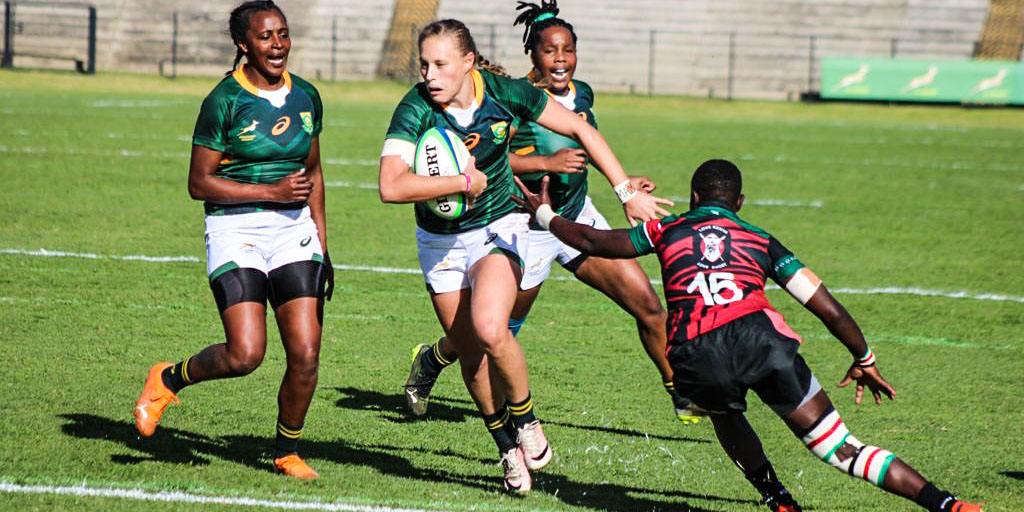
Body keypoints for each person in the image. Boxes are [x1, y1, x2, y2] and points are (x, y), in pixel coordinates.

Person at [511, 159, 984, 512]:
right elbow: (825, 305)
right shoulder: (760, 239)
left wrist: (547, 216)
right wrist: (863, 355)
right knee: (840, 448)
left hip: (697, 352)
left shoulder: (667, 228)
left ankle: (776, 496)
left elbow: (596, 242)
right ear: (738, 204)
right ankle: (946, 505)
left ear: (695, 199)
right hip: (762, 342)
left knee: (719, 410)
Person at [378, 19, 672, 491]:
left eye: (440, 64)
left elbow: (579, 127)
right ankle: (507, 448)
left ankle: (527, 420)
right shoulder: (415, 109)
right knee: (471, 354)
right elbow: (390, 187)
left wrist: (624, 191)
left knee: (493, 330)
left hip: (500, 225)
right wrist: (459, 182)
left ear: (468, 62)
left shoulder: (505, 92)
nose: (429, 75)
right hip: (440, 242)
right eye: (424, 64)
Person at [132, 0, 332, 480]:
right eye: (266, 37)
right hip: (235, 228)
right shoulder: (224, 100)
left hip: (294, 232)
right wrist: (270, 190)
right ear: (243, 44)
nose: (278, 44)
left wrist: (322, 242)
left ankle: (286, 451)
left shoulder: (306, 96)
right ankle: (166, 379)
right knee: (246, 354)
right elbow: (198, 183)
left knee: (305, 354)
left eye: (283, 34)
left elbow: (314, 171)